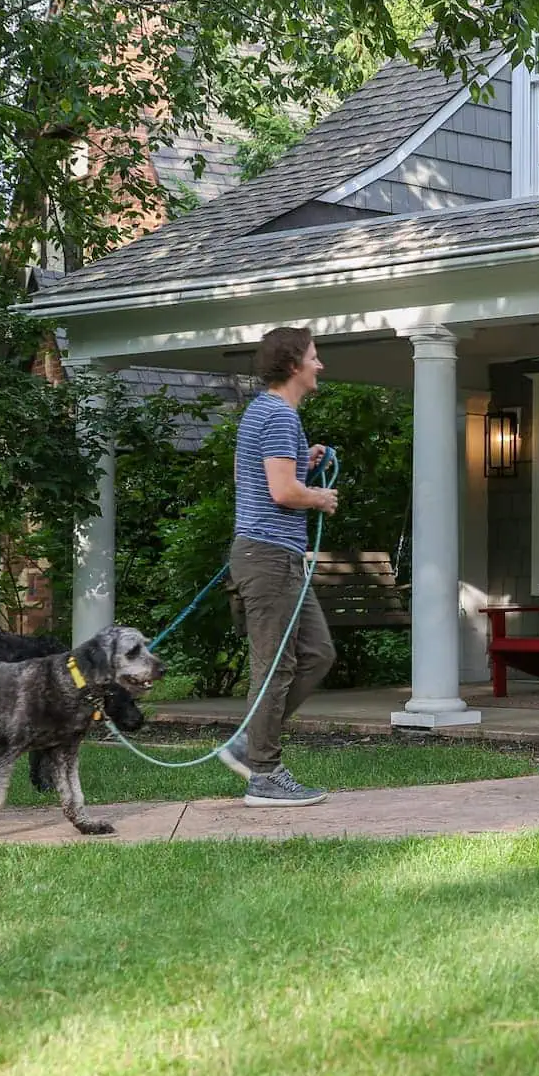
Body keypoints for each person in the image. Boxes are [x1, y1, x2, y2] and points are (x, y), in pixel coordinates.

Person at [217, 326, 339, 807]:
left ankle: (250, 743)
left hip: (276, 555)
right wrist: (320, 497)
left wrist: (304, 466)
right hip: (268, 557)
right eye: (314, 356)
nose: (320, 365)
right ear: (293, 366)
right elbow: (282, 494)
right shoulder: (277, 416)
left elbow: (274, 479)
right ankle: (263, 774)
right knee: (275, 668)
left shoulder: (274, 415)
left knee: (318, 653)